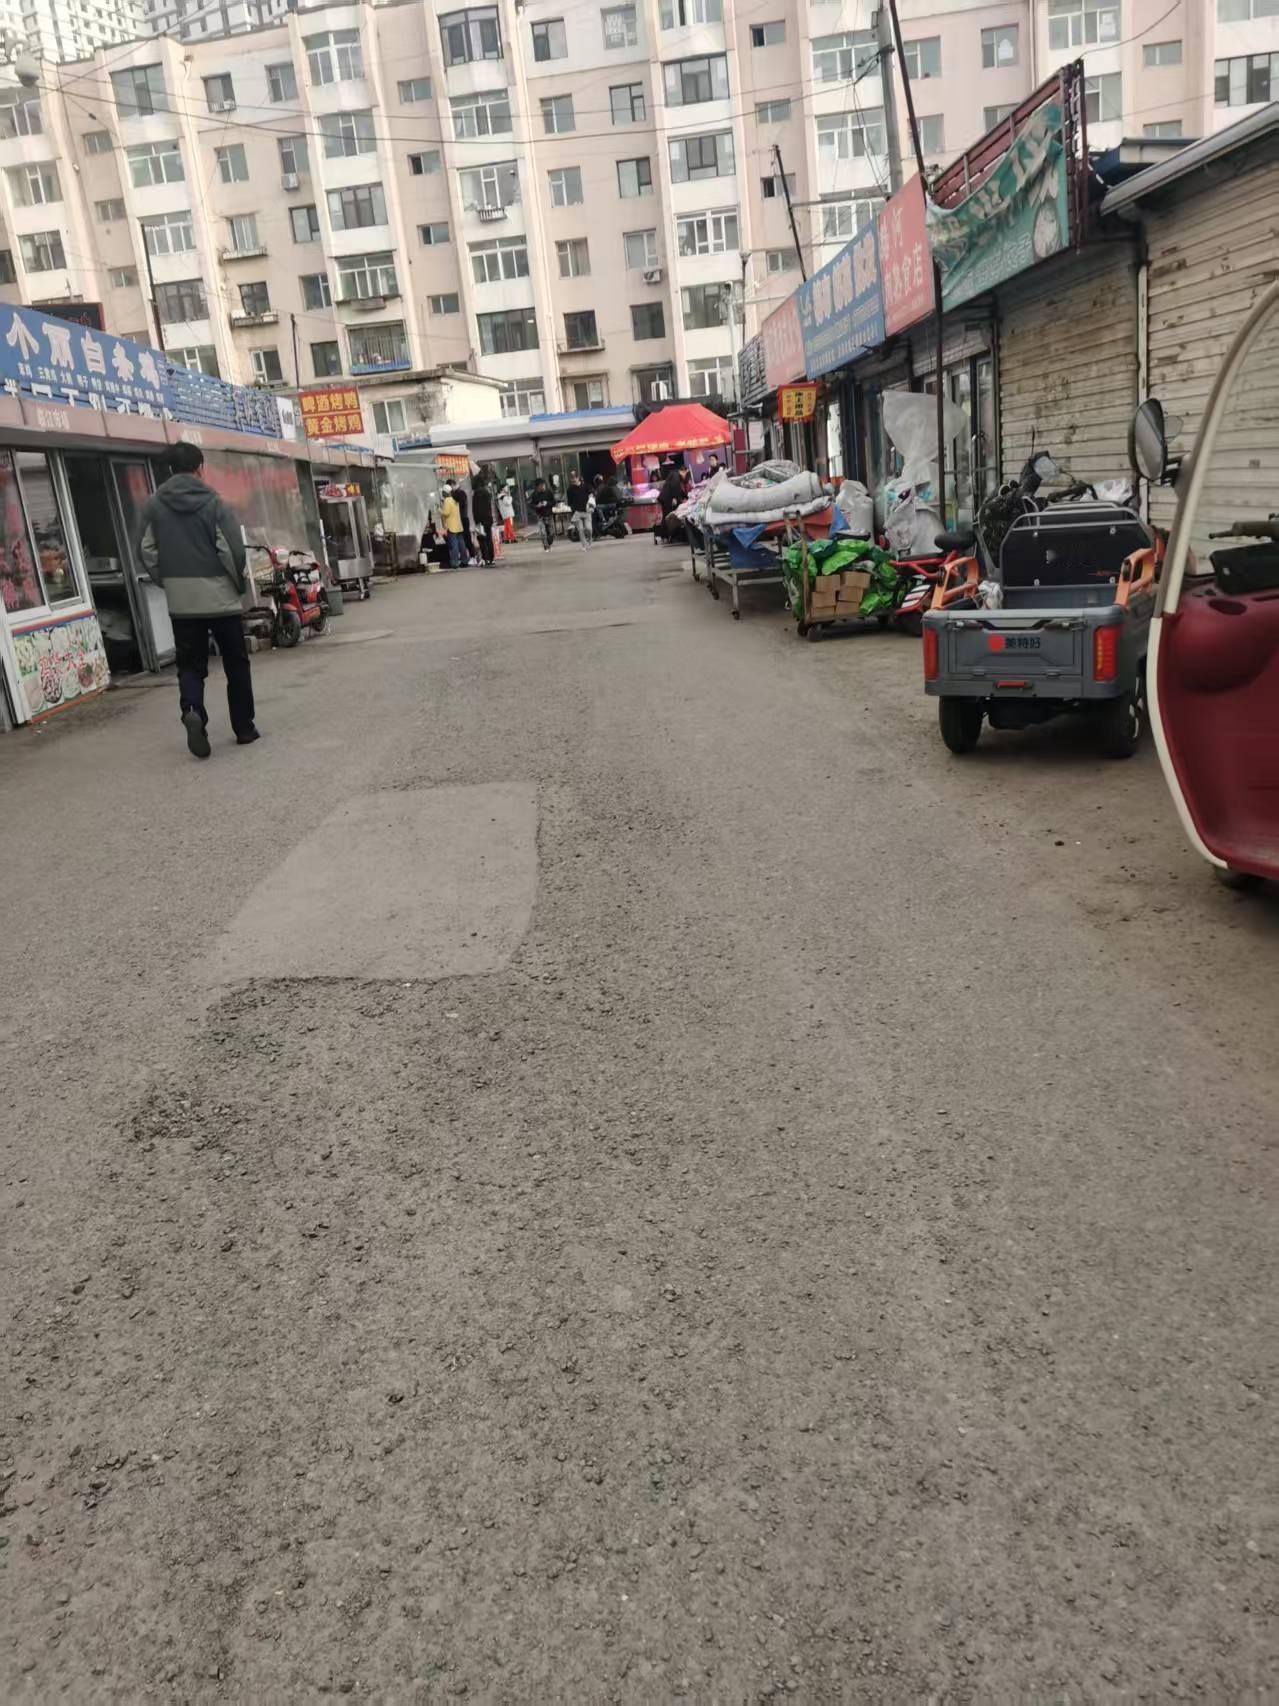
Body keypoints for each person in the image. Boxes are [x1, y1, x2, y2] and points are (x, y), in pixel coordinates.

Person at [139, 440, 257, 759]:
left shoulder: (154, 505)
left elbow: (146, 550)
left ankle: (193, 711)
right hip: (220, 598)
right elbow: (230, 549)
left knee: (190, 666)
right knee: (235, 662)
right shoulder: (213, 502)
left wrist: (168, 581)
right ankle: (244, 728)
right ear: (200, 468)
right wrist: (237, 584)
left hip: (182, 602)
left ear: (170, 469)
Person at [471, 470, 495, 565]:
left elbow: (476, 509)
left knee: (482, 539)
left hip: (480, 521)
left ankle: (485, 558)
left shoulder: (476, 494)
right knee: (489, 539)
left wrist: (477, 520)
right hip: (488, 519)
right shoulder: (487, 492)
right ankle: (491, 558)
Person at [440, 483, 465, 569]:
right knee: (461, 544)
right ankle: (464, 560)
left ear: (445, 492)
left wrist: (439, 510)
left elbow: (446, 513)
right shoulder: (455, 499)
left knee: (454, 545)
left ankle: (455, 562)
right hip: (458, 525)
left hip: (451, 526)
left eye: (443, 492)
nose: (442, 494)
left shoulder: (447, 500)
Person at [567, 470, 592, 550]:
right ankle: (584, 545)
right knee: (580, 530)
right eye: (572, 478)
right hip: (577, 512)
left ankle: (589, 541)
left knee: (589, 529)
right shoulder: (570, 489)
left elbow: (591, 495)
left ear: (578, 478)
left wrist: (591, 500)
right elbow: (569, 502)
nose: (573, 479)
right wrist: (573, 511)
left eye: (575, 477)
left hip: (587, 511)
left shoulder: (586, 486)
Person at [455, 479, 476, 564]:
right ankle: (467, 557)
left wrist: (455, 504)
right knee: (462, 539)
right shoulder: (457, 493)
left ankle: (473, 557)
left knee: (466, 539)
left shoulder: (461, 493)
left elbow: (462, 504)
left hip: (463, 519)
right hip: (460, 519)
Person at [531, 478, 555, 550]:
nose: (543, 487)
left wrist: (547, 503)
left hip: (549, 514)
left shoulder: (549, 492)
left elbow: (554, 502)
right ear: (537, 487)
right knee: (542, 532)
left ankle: (549, 542)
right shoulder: (534, 494)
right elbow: (531, 504)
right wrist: (537, 506)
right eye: (541, 486)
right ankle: (546, 545)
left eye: (544, 485)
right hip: (540, 515)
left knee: (551, 532)